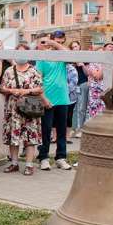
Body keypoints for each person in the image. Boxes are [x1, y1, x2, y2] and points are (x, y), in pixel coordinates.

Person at [0, 44, 43, 176]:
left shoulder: (34, 71)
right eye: (18, 52)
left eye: (23, 52)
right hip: (13, 109)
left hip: (30, 107)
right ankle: (14, 163)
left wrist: (26, 91)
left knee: (30, 136)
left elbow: (40, 88)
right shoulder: (9, 71)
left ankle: (29, 165)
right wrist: (11, 90)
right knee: (13, 135)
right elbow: (2, 88)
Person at [35, 35, 72, 171]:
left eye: (47, 41)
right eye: (42, 42)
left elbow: (70, 55)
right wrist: (43, 98)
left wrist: (54, 43)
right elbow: (38, 80)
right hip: (47, 100)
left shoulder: (61, 57)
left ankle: (61, 157)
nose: (46, 44)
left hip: (62, 99)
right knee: (45, 130)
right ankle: (43, 157)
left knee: (62, 130)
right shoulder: (41, 59)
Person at [69, 41, 88, 137]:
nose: (75, 48)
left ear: (79, 46)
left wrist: (82, 65)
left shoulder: (84, 57)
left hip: (83, 84)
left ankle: (81, 129)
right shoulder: (70, 59)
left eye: (76, 46)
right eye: (72, 47)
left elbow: (87, 74)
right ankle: (73, 128)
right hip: (73, 86)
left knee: (82, 108)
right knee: (74, 108)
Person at [66, 63, 79, 144]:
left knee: (69, 116)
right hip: (58, 96)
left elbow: (73, 83)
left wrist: (64, 90)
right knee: (55, 117)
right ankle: (55, 136)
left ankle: (67, 137)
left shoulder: (72, 69)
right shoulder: (57, 67)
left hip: (70, 97)